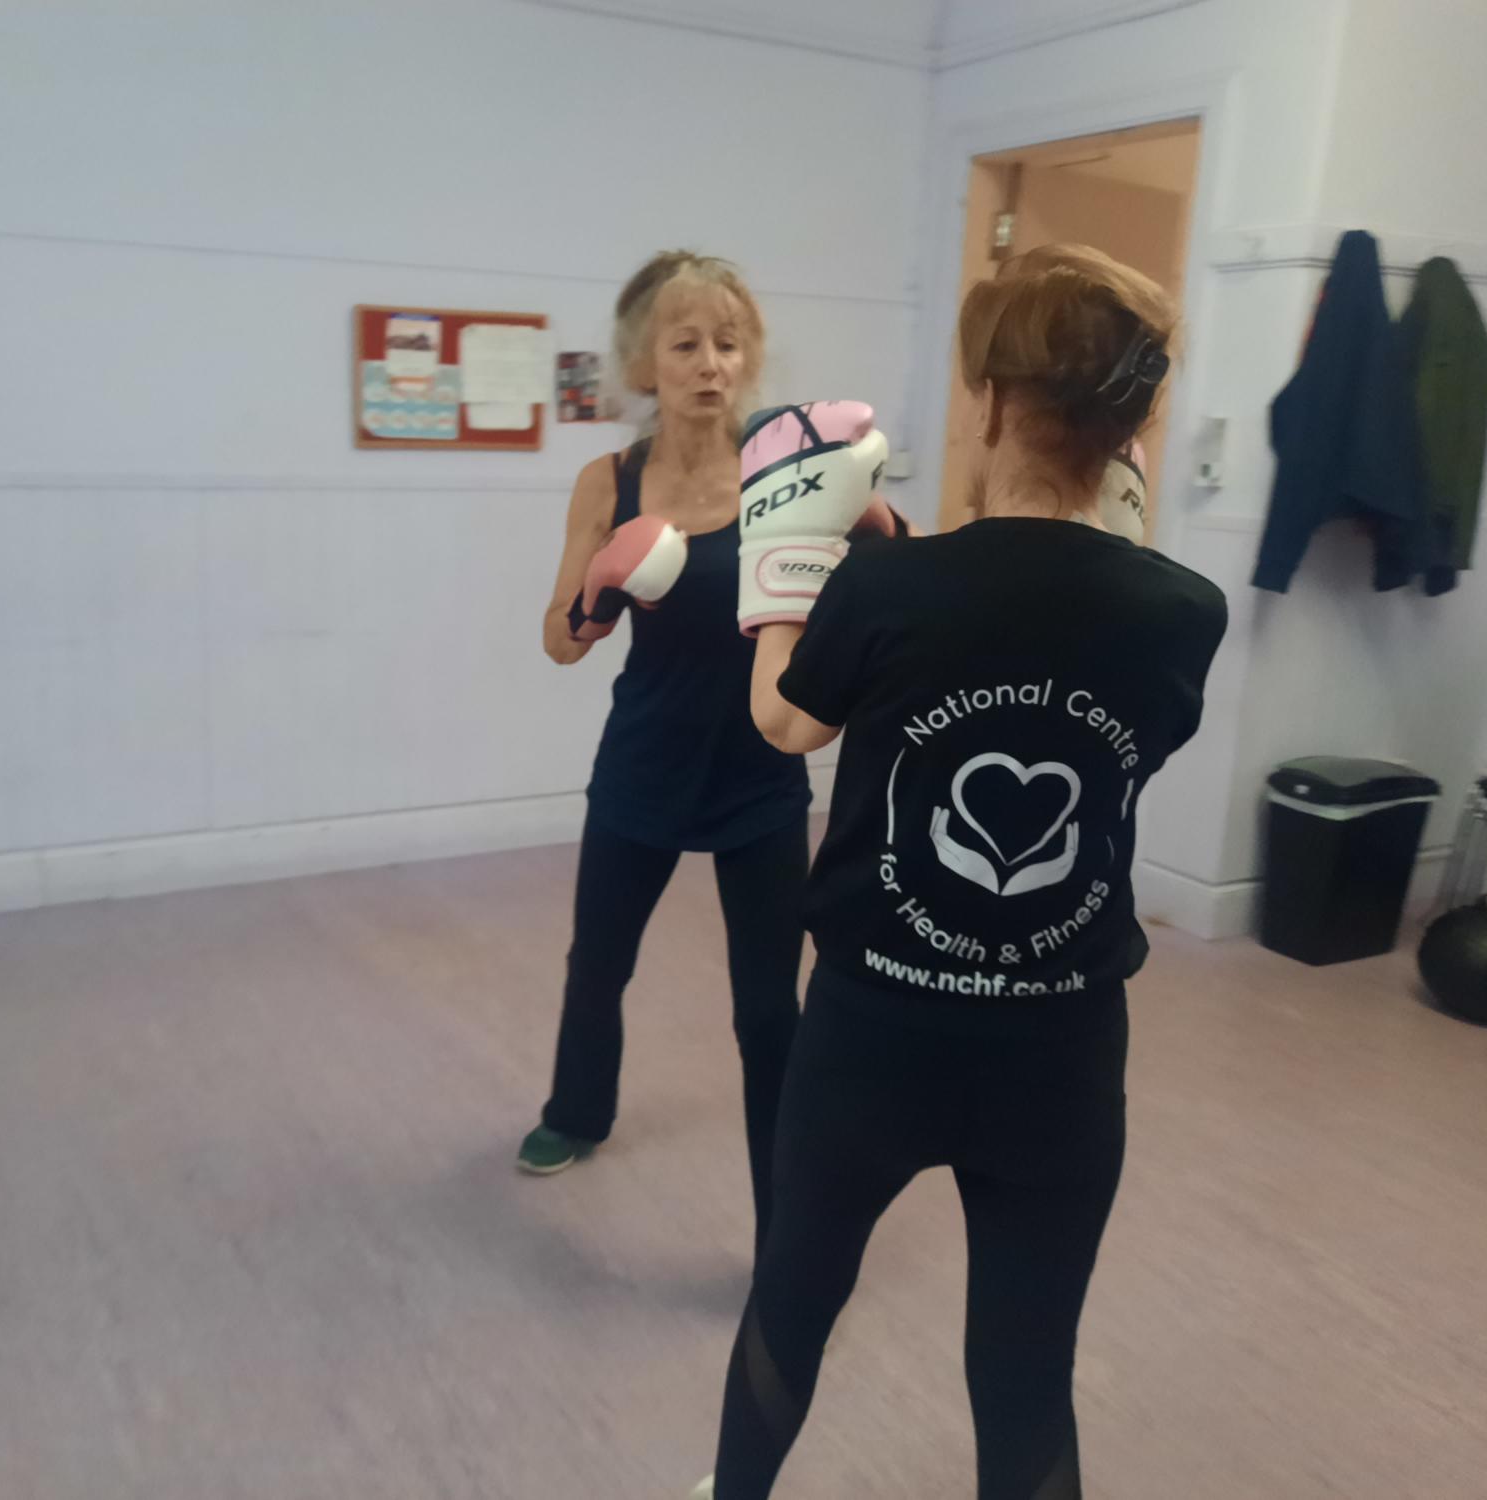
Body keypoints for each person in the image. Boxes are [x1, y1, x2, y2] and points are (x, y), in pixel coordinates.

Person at [693, 244, 1229, 1499]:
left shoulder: (890, 586)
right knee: (1025, 1367)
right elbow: (1076, 654)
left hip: (874, 1033)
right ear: (1136, 422)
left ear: (987, 399)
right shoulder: (1179, 610)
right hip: (1059, 1047)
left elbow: (783, 722)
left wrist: (787, 574)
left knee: (791, 1312)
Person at [519, 251, 810, 1260]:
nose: (709, 364)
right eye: (684, 343)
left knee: (769, 1009)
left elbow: (842, 610)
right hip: (643, 762)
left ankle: (788, 1212)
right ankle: (577, 1109)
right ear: (643, 360)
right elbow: (559, 641)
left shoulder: (784, 474)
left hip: (760, 771)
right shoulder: (609, 479)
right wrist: (597, 594)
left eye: (727, 343)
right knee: (597, 963)